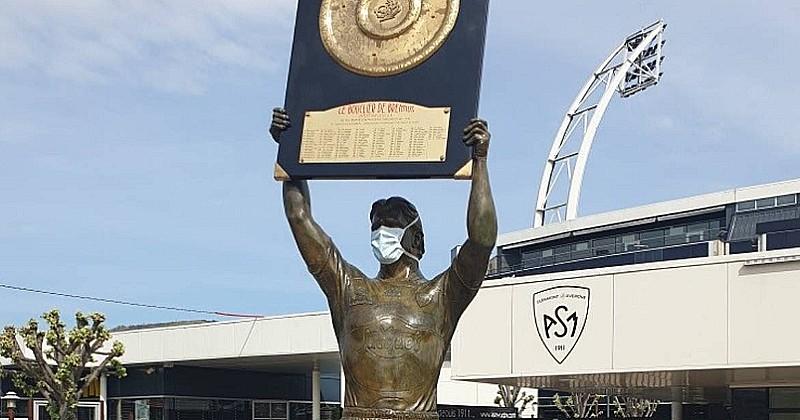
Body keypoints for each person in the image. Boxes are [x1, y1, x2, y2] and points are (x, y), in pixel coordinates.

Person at [270, 108, 497, 420]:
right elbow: (299, 216)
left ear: (416, 239)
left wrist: (480, 161)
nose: (381, 234)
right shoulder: (348, 287)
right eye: (376, 226)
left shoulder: (443, 295)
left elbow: (483, 239)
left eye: (390, 225)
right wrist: (290, 150)